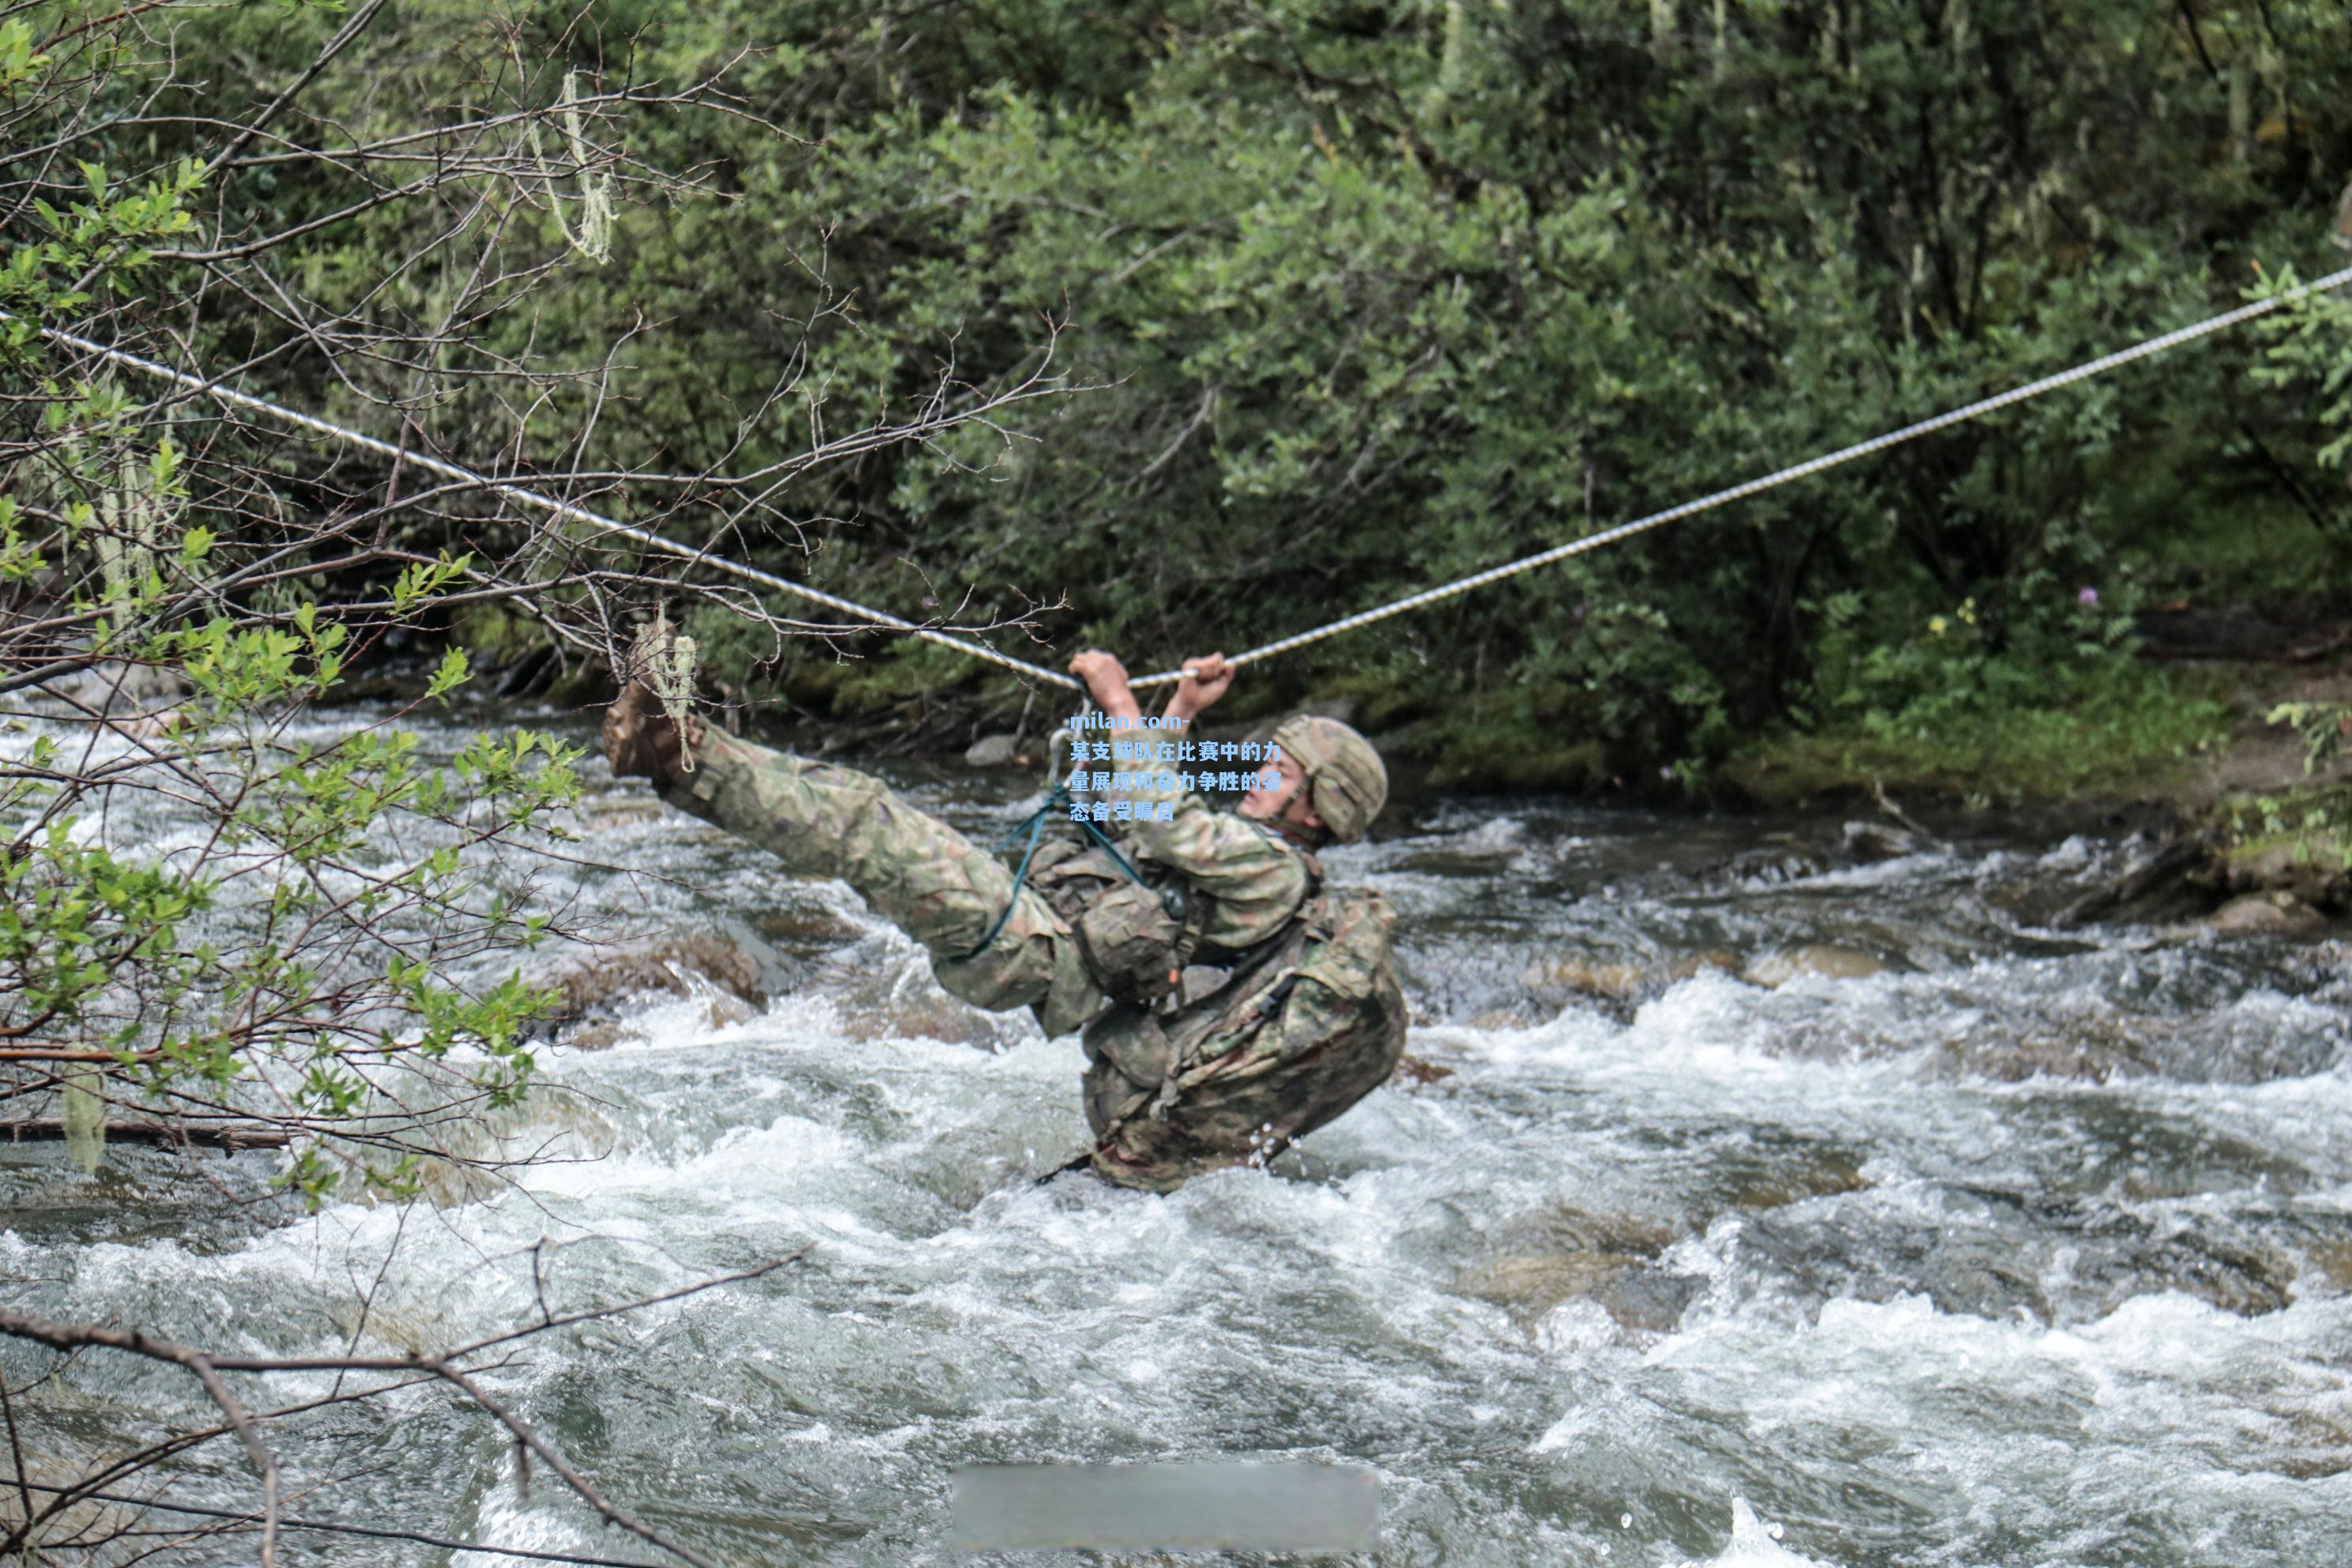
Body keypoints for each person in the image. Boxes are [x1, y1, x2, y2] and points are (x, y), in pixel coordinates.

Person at [601, 642, 1408, 1193]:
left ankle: (676, 749)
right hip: (1047, 938)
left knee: (875, 830)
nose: (1262, 771)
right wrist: (1179, 709)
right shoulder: (1248, 853)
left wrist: (1122, 699)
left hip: (1041, 955)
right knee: (864, 812)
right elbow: (1139, 813)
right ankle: (682, 746)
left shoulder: (1272, 871)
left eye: (1282, 769)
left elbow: (1162, 817)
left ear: (1318, 805)